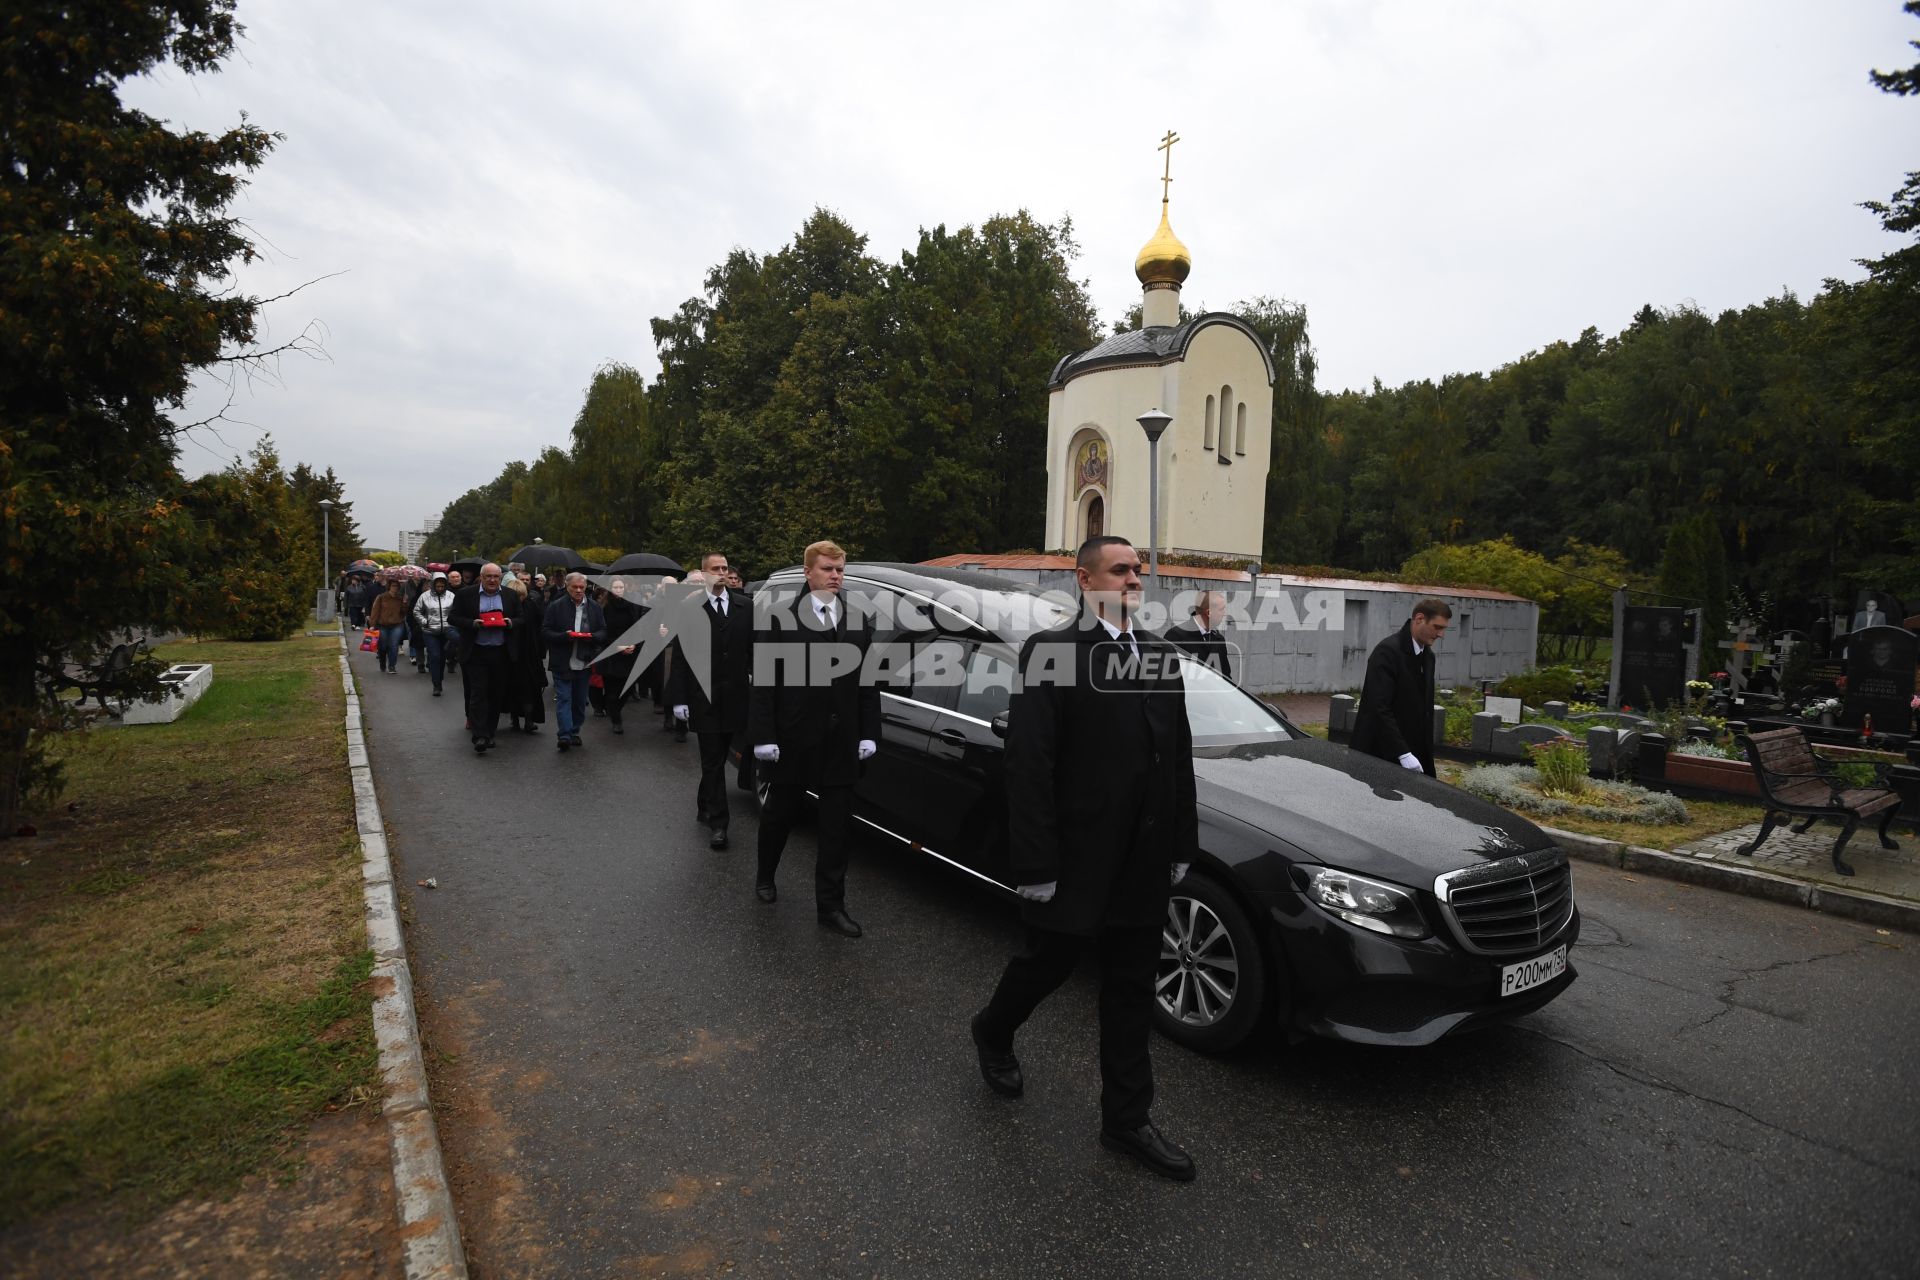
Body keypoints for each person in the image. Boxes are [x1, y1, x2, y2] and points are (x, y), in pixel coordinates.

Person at [968, 535, 1200, 1182]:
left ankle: (1126, 1121)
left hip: (1143, 863)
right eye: (1120, 569)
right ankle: (993, 1029)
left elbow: (1174, 759)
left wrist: (1182, 844)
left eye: (1137, 571)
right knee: (1047, 964)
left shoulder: (1157, 655)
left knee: (1130, 991)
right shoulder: (1053, 654)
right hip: (1074, 862)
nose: (1134, 579)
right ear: (1084, 579)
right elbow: (1029, 764)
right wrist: (1036, 863)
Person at [746, 541, 879, 937]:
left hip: (841, 744)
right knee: (779, 815)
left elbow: (867, 681)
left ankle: (831, 907)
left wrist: (870, 731)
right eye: (827, 569)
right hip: (793, 739)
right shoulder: (779, 619)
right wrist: (763, 736)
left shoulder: (857, 620)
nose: (836, 575)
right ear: (808, 573)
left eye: (840, 569)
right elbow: (764, 683)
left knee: (836, 828)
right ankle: (765, 874)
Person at [667, 552, 754, 849]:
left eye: (725, 568)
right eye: (715, 568)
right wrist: (678, 698)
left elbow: (754, 653)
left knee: (718, 759)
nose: (721, 573)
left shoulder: (745, 606)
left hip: (737, 698)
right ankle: (719, 824)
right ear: (703, 574)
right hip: (703, 697)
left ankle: (704, 802)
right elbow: (680, 658)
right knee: (712, 760)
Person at [1350, 597, 1451, 778]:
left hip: (1413, 753)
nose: (1441, 634)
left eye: (1443, 629)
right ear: (1419, 619)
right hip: (1380, 754)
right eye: (1437, 627)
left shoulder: (1428, 656)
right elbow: (1378, 707)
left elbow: (1424, 710)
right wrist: (1403, 753)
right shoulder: (1387, 652)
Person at [449, 562, 517, 753]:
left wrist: (510, 622)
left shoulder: (510, 595)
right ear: (482, 577)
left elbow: (521, 618)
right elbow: (453, 618)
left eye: (496, 577)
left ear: (500, 578)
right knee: (478, 694)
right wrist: (472, 623)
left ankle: (490, 732)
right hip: (476, 651)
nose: (492, 580)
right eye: (488, 577)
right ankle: (479, 735)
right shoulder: (466, 594)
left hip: (501, 651)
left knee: (495, 694)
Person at [542, 572, 607, 751]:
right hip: (562, 661)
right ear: (567, 587)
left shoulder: (594, 607)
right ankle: (564, 734)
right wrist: (564, 636)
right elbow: (546, 631)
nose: (578, 590)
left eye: (582, 587)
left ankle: (574, 731)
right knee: (564, 698)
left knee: (579, 701)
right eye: (574, 587)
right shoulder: (556, 606)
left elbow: (603, 631)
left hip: (584, 661)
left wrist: (592, 637)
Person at [598, 577, 645, 734]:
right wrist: (618, 647)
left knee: (628, 687)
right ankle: (616, 720)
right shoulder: (604, 607)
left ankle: (614, 709)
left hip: (629, 653)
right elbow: (602, 632)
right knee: (612, 689)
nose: (618, 590)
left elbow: (638, 628)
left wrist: (634, 644)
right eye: (615, 587)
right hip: (611, 652)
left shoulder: (631, 606)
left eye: (621, 587)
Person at [1166, 590, 1234, 683]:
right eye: (1221, 609)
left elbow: (1226, 677)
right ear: (1209, 613)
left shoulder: (1219, 639)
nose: (1224, 613)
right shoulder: (1175, 636)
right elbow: (1168, 679)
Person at [412, 571, 456, 696]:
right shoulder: (424, 596)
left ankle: (439, 680)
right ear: (433, 584)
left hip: (447, 630)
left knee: (442, 657)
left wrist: (452, 623)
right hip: (430, 631)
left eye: (442, 586)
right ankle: (436, 684)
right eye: (438, 586)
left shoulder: (451, 596)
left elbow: (456, 611)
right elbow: (416, 611)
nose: (440, 588)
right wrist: (424, 622)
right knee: (435, 656)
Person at [368, 578, 410, 675]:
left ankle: (392, 666)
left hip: (397, 625)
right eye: (393, 586)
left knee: (394, 645)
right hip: (383, 625)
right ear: (389, 587)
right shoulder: (381, 597)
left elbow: (404, 612)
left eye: (397, 586)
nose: (395, 588)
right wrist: (372, 625)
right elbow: (375, 611)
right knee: (383, 646)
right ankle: (382, 662)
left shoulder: (400, 598)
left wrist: (405, 602)